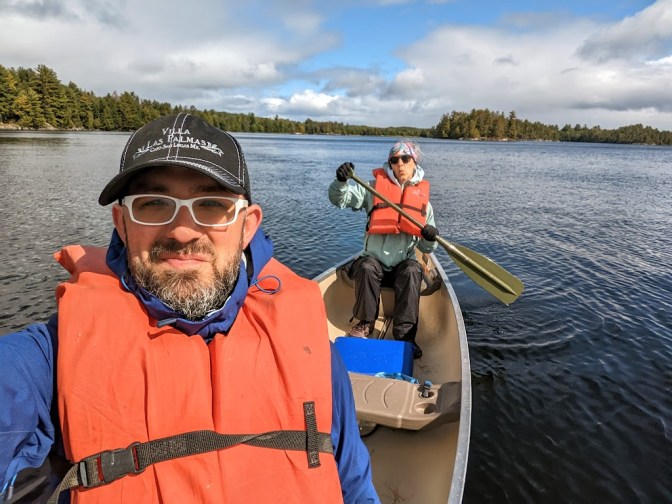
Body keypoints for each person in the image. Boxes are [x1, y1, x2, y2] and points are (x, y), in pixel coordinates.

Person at [0, 113, 380, 503]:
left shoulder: (312, 350)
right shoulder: (50, 357)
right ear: (122, 223)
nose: (182, 231)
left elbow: (355, 487)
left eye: (212, 204)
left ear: (247, 226)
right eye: (153, 204)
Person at [328, 141, 439, 359]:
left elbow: (427, 248)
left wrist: (429, 237)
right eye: (394, 160)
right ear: (390, 164)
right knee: (366, 266)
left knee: (412, 270)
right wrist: (340, 182)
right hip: (375, 263)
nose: (400, 164)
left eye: (405, 159)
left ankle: (406, 336)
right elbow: (339, 199)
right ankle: (365, 323)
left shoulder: (424, 203)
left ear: (414, 162)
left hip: (402, 266)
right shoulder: (371, 189)